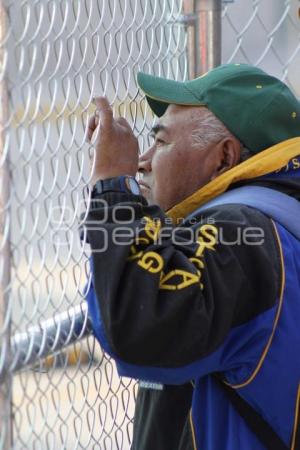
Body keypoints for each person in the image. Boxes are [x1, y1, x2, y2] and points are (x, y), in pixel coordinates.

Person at [84, 64, 300, 450]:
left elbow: (140, 322)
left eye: (161, 142)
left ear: (224, 158)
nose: (142, 160)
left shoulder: (240, 235)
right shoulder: (283, 213)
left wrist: (115, 188)